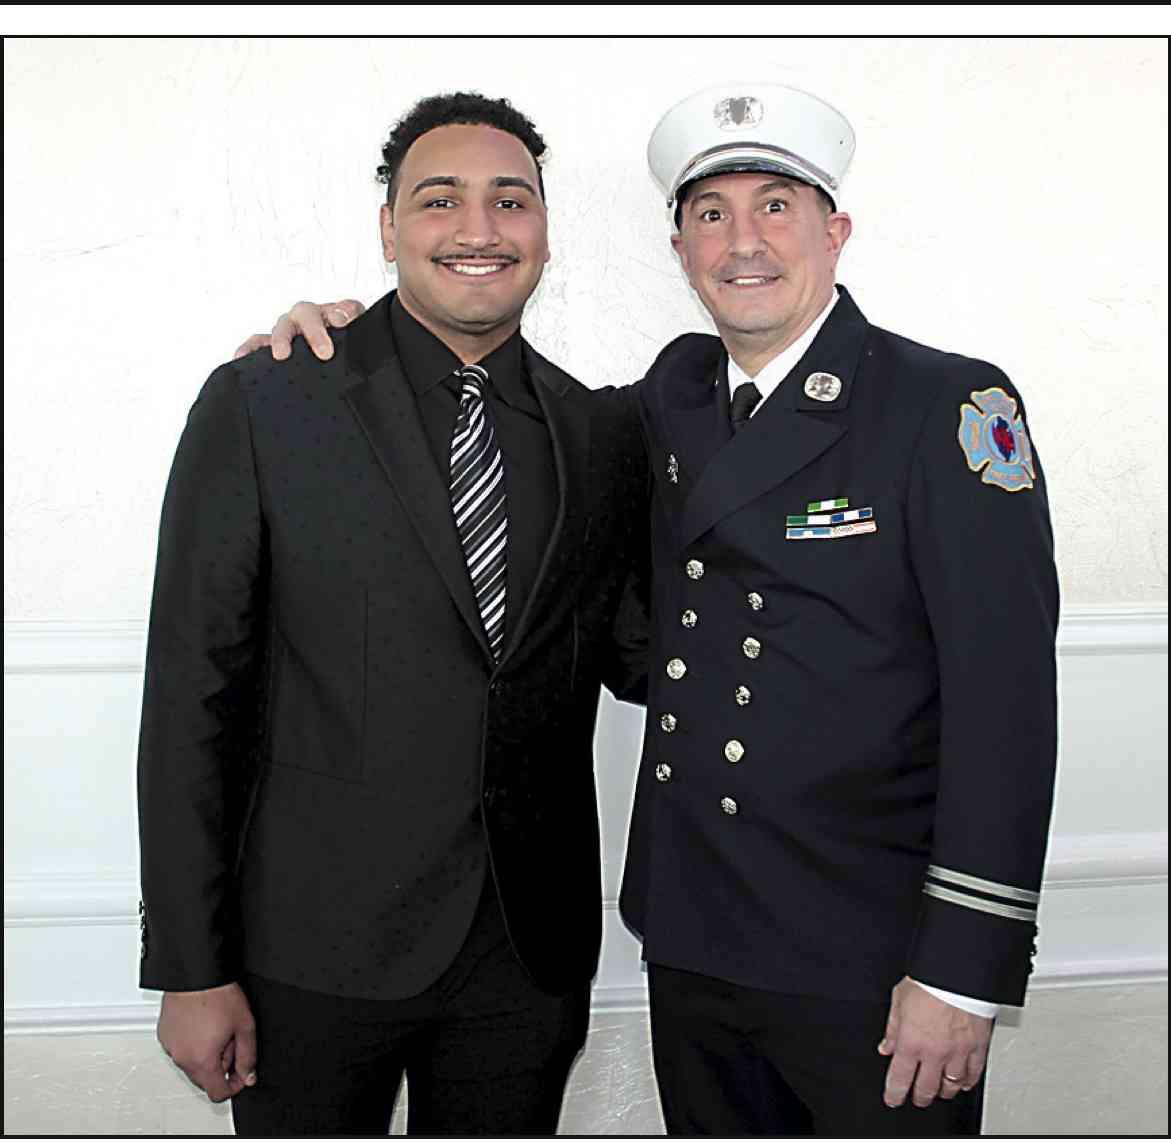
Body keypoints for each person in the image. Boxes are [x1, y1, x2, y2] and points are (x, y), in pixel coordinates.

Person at [241, 82, 1059, 1137]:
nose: (743, 242)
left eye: (776, 206)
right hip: (696, 940)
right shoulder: (667, 399)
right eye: (711, 214)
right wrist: (349, 343)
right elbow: (505, 439)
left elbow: (1005, 707)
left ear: (835, 230)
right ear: (680, 249)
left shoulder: (942, 406)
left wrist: (961, 969)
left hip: (872, 955)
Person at [137, 91, 648, 1138]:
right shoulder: (266, 403)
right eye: (439, 199)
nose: (478, 229)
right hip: (306, 956)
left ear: (544, 230)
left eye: (510, 200)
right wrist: (191, 966)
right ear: (388, 227)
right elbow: (192, 694)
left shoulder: (599, 434)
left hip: (523, 960)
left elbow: (640, 653)